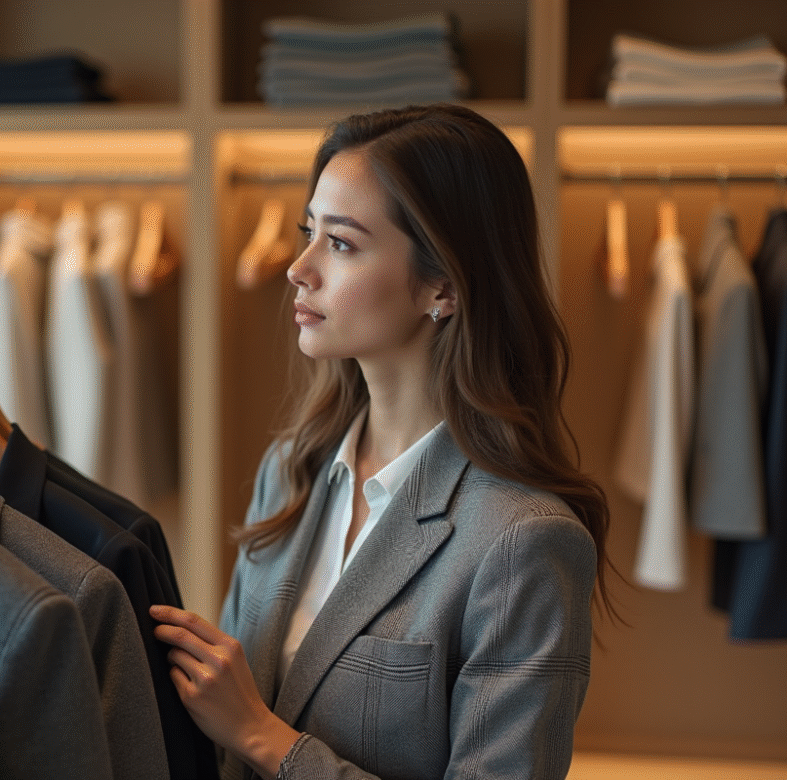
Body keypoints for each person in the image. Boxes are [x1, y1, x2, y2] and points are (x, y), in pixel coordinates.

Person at [150, 103, 611, 780]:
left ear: (443, 286)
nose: (297, 268)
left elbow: (249, 729)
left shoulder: (523, 541)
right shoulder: (290, 473)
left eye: (340, 243)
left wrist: (263, 736)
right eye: (308, 232)